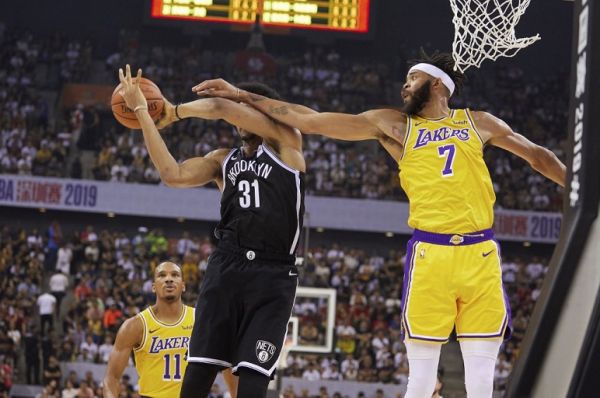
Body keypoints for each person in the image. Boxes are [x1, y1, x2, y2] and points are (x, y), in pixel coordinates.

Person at [191, 51, 566, 398]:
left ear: (436, 84)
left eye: (412, 77)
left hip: (480, 251)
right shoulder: (394, 125)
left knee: (483, 370)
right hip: (431, 251)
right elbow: (309, 120)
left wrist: (580, 189)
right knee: (420, 374)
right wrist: (241, 94)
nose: (404, 85)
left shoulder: (478, 122)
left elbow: (538, 157)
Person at [117, 65, 306, 398]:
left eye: (245, 112)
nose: (237, 119)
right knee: (199, 374)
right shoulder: (223, 160)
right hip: (226, 269)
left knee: (252, 380)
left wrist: (173, 112)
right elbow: (171, 174)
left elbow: (220, 107)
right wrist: (144, 114)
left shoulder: (286, 144)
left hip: (274, 276)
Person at [103, 261, 237, 398]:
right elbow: (111, 378)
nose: (169, 279)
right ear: (154, 287)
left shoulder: (201, 320)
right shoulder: (135, 326)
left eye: (175, 275)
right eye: (162, 275)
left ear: (183, 286)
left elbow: (227, 364)